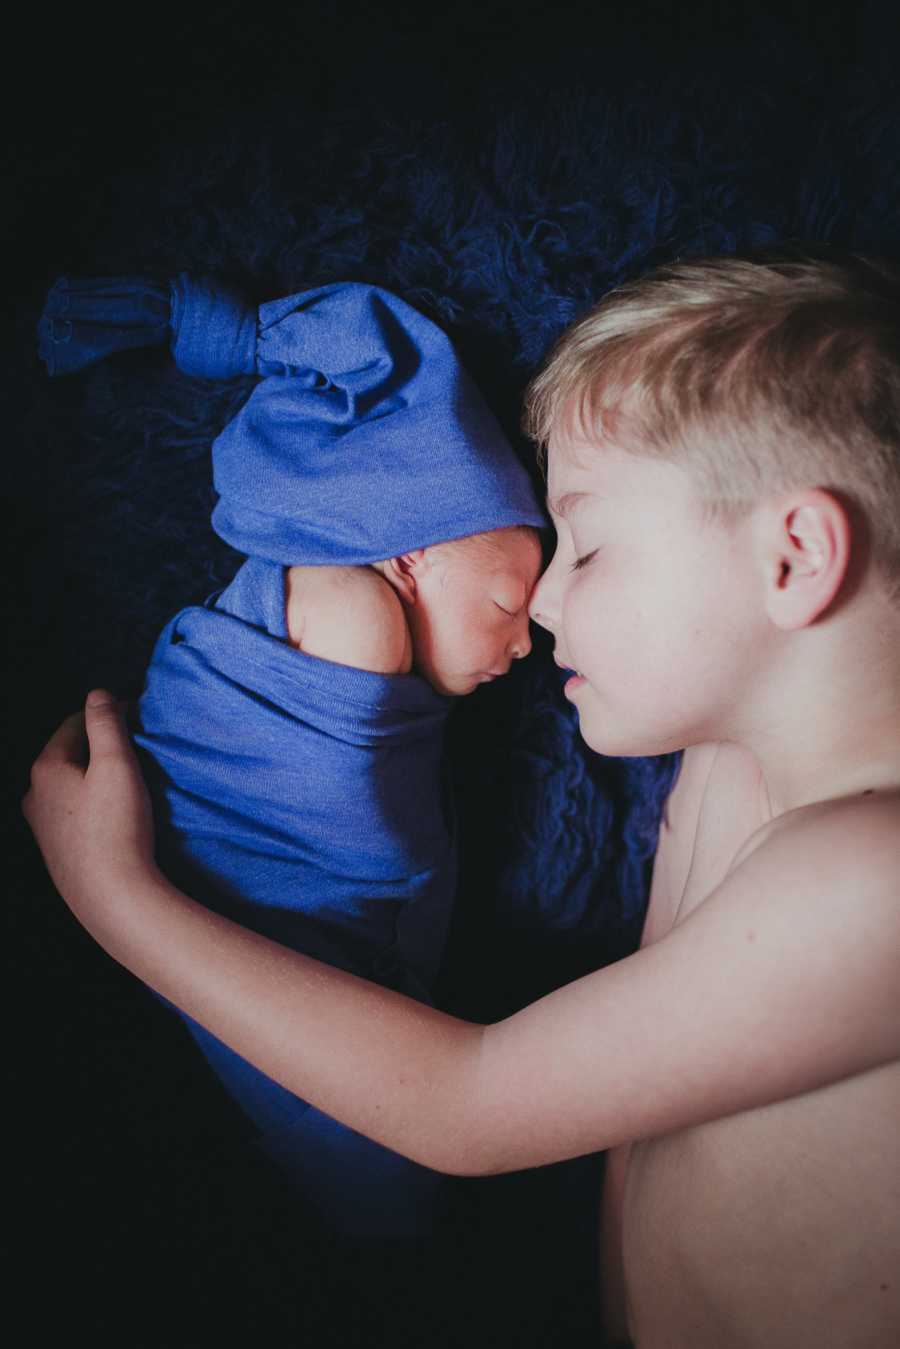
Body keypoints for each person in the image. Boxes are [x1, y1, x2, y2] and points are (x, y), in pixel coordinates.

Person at [26, 251, 900, 1348]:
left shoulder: (876, 878)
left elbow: (468, 1103)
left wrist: (114, 893)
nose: (539, 595)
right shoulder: (729, 766)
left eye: (587, 539)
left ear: (794, 558)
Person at [36, 274, 545, 1235]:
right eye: (508, 607)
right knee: (382, 1172)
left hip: (244, 919)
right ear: (407, 554)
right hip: (260, 884)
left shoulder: (358, 636)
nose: (525, 645)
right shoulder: (351, 610)